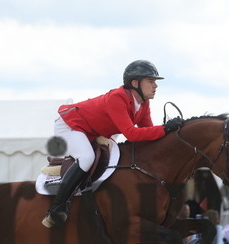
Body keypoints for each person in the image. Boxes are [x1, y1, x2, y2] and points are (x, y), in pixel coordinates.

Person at [42, 60, 183, 228]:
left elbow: (147, 132)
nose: (155, 86)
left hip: (91, 131)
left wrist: (170, 133)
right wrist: (165, 129)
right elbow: (131, 134)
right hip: (69, 125)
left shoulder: (143, 104)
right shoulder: (117, 98)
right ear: (135, 83)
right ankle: (57, 208)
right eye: (151, 81)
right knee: (87, 157)